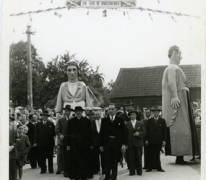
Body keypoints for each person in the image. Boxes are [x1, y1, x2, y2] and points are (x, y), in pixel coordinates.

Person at [162, 45, 200, 164]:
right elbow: (172, 82)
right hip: (179, 101)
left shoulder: (174, 68)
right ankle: (180, 154)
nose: (181, 57)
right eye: (180, 54)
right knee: (180, 126)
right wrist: (174, 96)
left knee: (184, 126)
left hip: (183, 98)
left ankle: (183, 154)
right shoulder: (172, 68)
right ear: (174, 54)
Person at [66, 106, 94, 180]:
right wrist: (68, 144)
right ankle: (76, 176)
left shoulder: (87, 121)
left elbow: (90, 133)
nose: (78, 112)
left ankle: (84, 176)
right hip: (74, 144)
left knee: (84, 160)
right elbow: (68, 133)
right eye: (77, 111)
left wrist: (91, 144)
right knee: (75, 160)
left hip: (84, 144)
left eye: (80, 111)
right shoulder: (71, 121)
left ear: (82, 112)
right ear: (75, 112)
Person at [100, 103, 126, 180]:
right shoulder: (104, 120)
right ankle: (107, 177)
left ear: (115, 110)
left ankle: (114, 177)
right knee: (107, 161)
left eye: (112, 109)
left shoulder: (120, 120)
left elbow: (124, 133)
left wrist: (123, 144)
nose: (111, 111)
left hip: (116, 143)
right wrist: (101, 145)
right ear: (107, 111)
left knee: (115, 162)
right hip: (107, 143)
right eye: (109, 109)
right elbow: (101, 133)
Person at [145, 107, 167, 172]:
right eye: (154, 112)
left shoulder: (162, 121)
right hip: (151, 140)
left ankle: (159, 167)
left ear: (159, 113)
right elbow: (146, 131)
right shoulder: (149, 121)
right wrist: (146, 139)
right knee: (151, 154)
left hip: (159, 141)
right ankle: (150, 167)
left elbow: (164, 131)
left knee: (157, 154)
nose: (155, 113)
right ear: (152, 113)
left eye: (157, 112)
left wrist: (164, 140)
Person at [125, 111, 146, 176]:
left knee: (138, 157)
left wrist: (139, 133)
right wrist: (126, 144)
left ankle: (139, 171)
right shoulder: (127, 124)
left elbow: (144, 132)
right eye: (131, 115)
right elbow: (125, 134)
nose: (132, 116)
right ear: (129, 116)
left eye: (133, 114)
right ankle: (132, 171)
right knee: (131, 158)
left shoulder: (140, 123)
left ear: (136, 115)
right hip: (130, 143)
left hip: (138, 143)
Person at [55, 105, 73, 177]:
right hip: (63, 140)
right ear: (64, 111)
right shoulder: (60, 120)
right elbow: (57, 130)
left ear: (70, 111)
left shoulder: (73, 119)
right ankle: (59, 169)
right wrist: (60, 135)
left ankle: (69, 169)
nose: (67, 112)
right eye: (66, 111)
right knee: (60, 155)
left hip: (70, 141)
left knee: (69, 156)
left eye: (69, 111)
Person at [120, 100, 134, 169]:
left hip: (133, 136)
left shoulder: (135, 114)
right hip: (125, 136)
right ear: (125, 107)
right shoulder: (121, 116)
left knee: (134, 152)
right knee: (127, 152)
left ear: (131, 106)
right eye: (127, 106)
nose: (128, 107)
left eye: (129, 106)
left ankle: (135, 165)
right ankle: (129, 165)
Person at [91, 109, 104, 175]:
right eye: (96, 114)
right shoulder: (92, 122)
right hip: (95, 143)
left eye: (98, 114)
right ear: (94, 115)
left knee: (103, 157)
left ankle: (104, 169)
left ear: (100, 115)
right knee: (95, 157)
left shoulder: (104, 122)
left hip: (103, 143)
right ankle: (96, 169)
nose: (97, 115)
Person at [9, 113, 20, 180]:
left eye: (11, 121)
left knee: (13, 171)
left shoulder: (14, 131)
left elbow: (17, 140)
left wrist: (12, 146)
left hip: (12, 153)